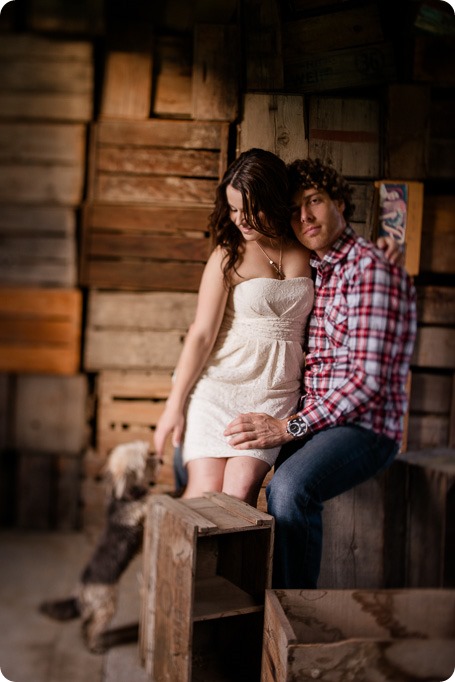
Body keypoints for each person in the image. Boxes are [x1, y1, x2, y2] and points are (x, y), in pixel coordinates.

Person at [224, 157, 417, 588]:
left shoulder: (370, 270)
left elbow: (367, 383)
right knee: (241, 475)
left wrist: (288, 426)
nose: (305, 216)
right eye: (294, 210)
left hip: (366, 427)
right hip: (319, 419)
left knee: (289, 488)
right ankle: (252, 607)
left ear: (340, 202)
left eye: (314, 201)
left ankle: (294, 621)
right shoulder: (316, 268)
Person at [154, 148, 314, 506]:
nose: (240, 219)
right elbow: (201, 334)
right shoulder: (228, 255)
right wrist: (173, 405)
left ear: (273, 201)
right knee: (203, 495)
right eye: (233, 208)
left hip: (273, 393)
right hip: (220, 388)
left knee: (239, 492)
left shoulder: (308, 245)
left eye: (249, 209)